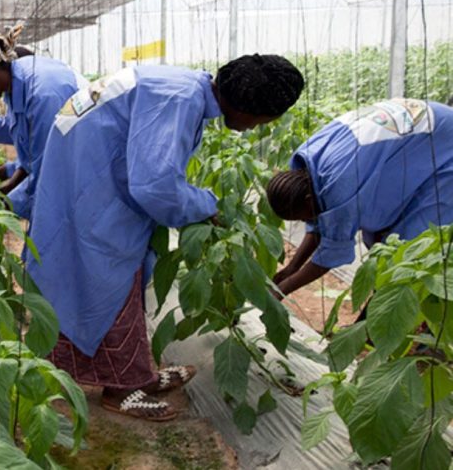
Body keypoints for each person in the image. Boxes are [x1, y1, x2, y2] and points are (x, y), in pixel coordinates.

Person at [27, 55, 305, 420]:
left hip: (86, 177)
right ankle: (122, 389)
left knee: (100, 282)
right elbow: (155, 186)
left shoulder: (182, 87)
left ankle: (135, 374)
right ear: (247, 106)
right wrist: (206, 206)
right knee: (110, 285)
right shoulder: (179, 99)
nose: (254, 129)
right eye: (261, 120)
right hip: (91, 188)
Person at [268, 98, 453, 297]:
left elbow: (330, 255)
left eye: (303, 217)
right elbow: (320, 224)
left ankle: (383, 320)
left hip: (444, 140)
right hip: (425, 125)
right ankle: (376, 313)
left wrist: (283, 289)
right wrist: (291, 268)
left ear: (307, 199)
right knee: (380, 240)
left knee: (408, 247)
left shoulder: (339, 186)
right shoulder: (307, 162)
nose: (307, 222)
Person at [0, 26, 85, 219]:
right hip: (70, 172)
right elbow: (22, 132)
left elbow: (48, 174)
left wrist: (1, 206)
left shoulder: (44, 94)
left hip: (85, 177)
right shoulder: (14, 84)